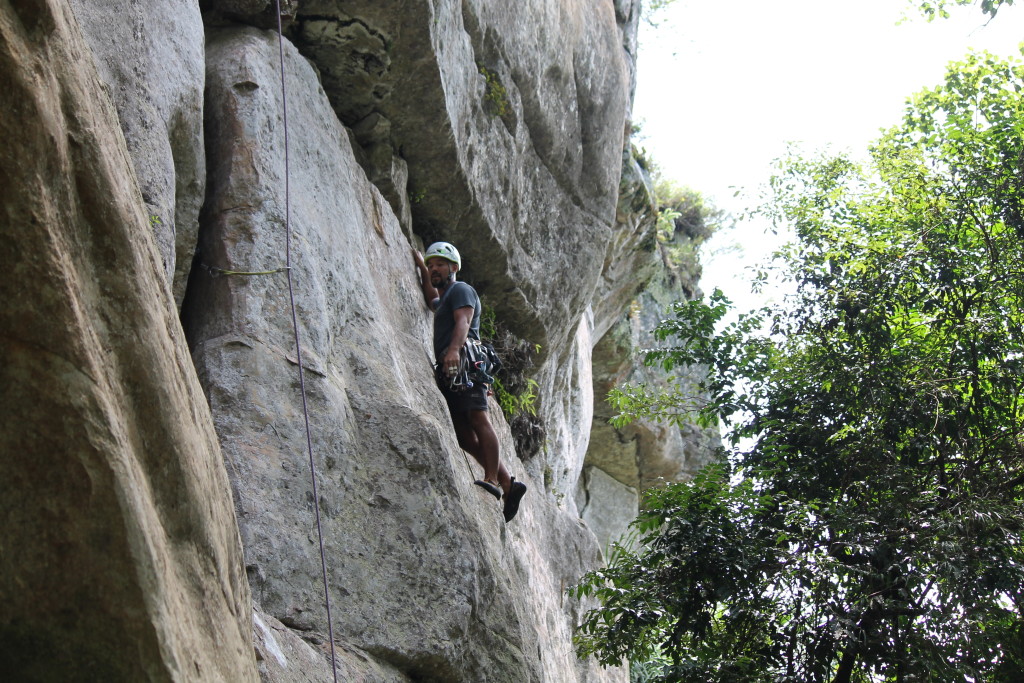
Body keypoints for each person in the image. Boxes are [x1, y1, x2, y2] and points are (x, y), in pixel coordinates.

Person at [413, 241, 527, 522]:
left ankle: (491, 478)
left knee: (478, 419)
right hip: (452, 367)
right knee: (463, 435)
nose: (434, 269)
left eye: (440, 264)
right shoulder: (446, 294)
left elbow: (463, 321)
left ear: (454, 267)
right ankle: (508, 483)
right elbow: (432, 301)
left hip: (465, 359)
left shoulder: (462, 290)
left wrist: (453, 350)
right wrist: (420, 267)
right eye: (431, 265)